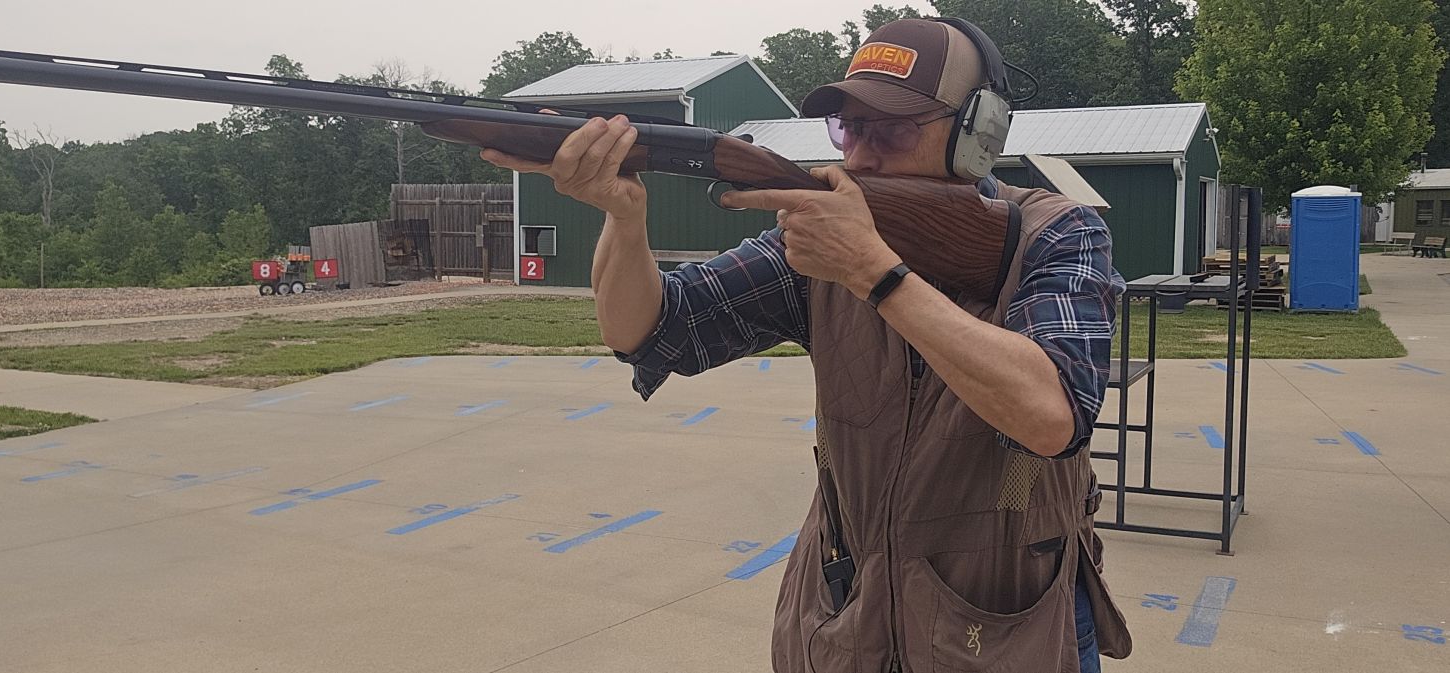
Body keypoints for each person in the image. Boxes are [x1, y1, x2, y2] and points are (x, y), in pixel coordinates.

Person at [482, 16, 1132, 673]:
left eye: (895, 128)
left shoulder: (1054, 232)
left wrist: (874, 273)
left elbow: (1051, 415)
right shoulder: (820, 235)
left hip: (1004, 632)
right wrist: (623, 218)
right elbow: (651, 328)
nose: (862, 155)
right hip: (850, 620)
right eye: (850, 128)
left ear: (977, 134)